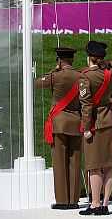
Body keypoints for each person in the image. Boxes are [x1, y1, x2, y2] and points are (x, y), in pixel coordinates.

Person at [79, 41, 112, 216]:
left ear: (88, 58)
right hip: (109, 121)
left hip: (94, 125)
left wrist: (85, 127)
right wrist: (111, 63)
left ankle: (95, 204)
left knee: (94, 166)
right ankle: (105, 204)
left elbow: (86, 105)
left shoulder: (85, 76)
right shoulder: (110, 74)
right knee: (109, 166)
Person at [35, 47, 82, 210]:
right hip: (77, 122)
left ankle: (63, 200)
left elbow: (37, 83)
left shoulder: (55, 76)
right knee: (75, 162)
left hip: (59, 123)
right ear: (72, 60)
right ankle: (74, 200)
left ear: (59, 60)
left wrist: (52, 71)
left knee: (60, 162)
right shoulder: (80, 76)